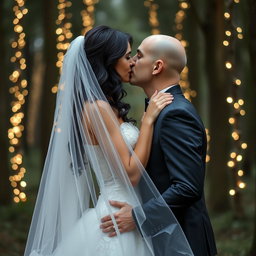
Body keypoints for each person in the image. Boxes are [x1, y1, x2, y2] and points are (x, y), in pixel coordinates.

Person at [24, 26, 194, 256]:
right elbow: (131, 173)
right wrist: (148, 121)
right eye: (126, 56)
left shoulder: (108, 105)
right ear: (108, 61)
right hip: (117, 214)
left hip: (132, 212)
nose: (132, 62)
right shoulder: (97, 108)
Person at [101, 34, 218, 256]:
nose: (132, 61)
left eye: (139, 55)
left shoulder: (176, 114)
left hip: (183, 241)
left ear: (157, 67)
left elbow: (187, 187)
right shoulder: (160, 111)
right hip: (165, 237)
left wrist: (137, 217)